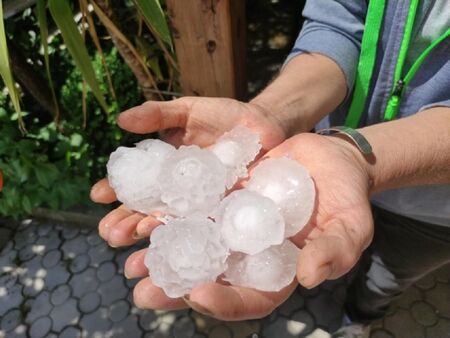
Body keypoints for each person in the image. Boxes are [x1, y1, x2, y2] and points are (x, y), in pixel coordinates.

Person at [90, 0, 450, 336]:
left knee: (389, 275)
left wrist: (358, 158)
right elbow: (338, 20)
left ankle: (360, 317)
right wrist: (273, 113)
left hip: (435, 213)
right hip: (327, 161)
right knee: (339, 257)